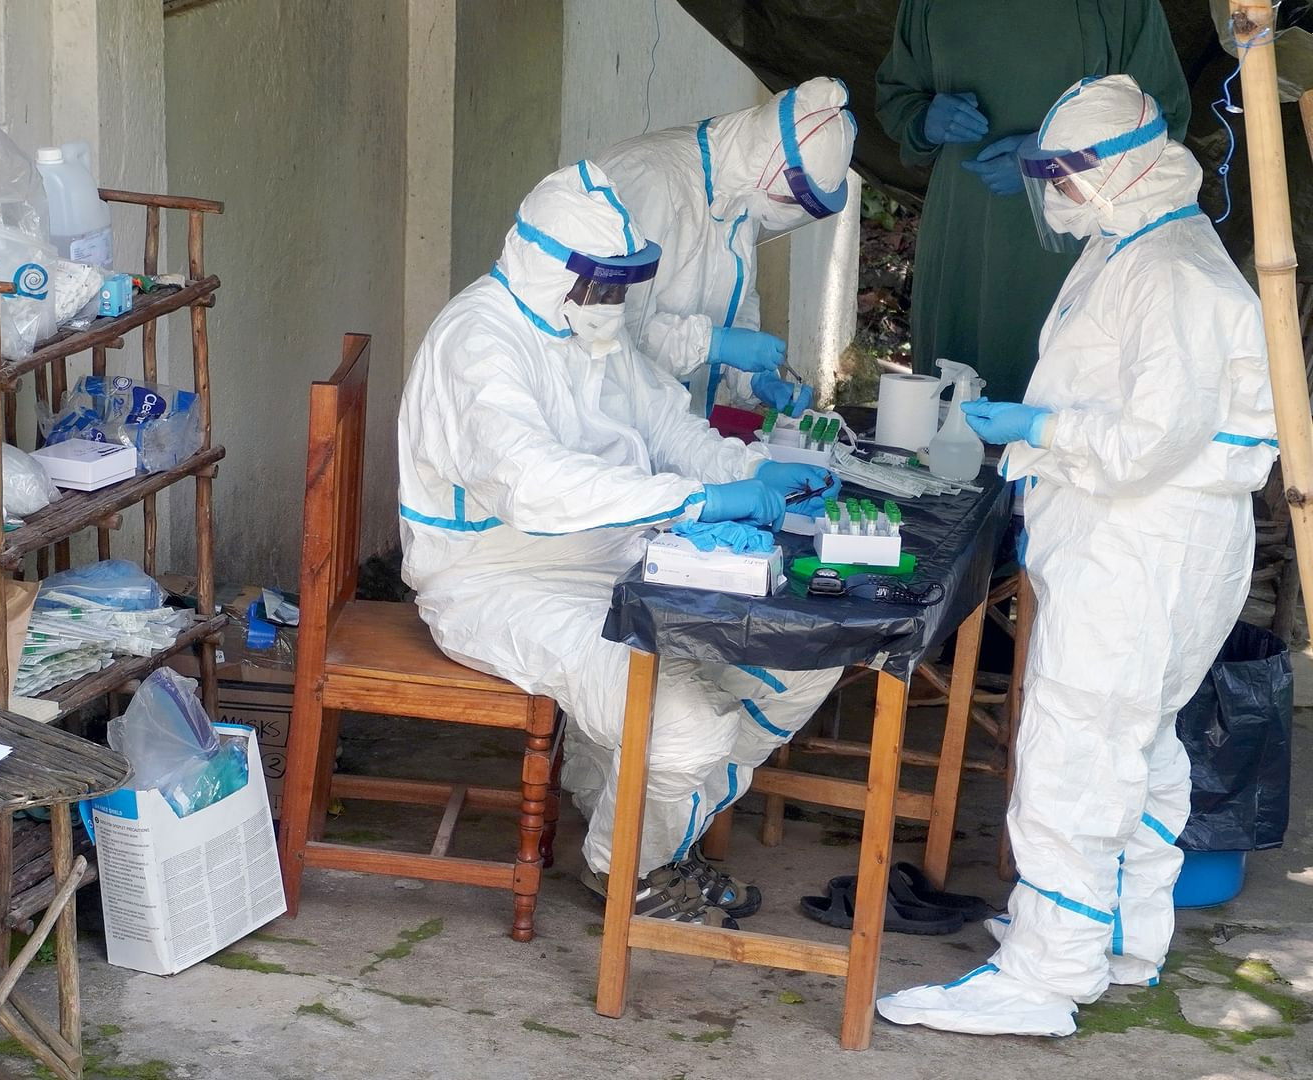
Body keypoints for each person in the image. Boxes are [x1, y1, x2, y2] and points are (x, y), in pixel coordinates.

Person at [876, 75, 1276, 1037]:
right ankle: (1118, 938)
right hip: (1152, 543)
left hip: (1140, 545)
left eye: (1065, 173)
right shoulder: (1137, 243)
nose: (1054, 192)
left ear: (1124, 166)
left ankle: (1045, 975)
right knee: (1138, 743)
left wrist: (1037, 428)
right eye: (1046, 174)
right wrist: (1040, 439)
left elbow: (1147, 443)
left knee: (1077, 750)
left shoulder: (1170, 272)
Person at [397, 161, 843, 924]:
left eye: (620, 286)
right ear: (547, 267)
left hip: (615, 557)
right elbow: (533, 483)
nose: (611, 303)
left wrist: (751, 471)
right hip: (496, 580)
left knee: (800, 664)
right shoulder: (480, 342)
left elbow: (664, 424)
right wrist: (697, 500)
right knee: (684, 730)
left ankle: (661, 833)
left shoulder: (584, 324)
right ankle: (625, 867)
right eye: (599, 286)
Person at [876, 0, 1189, 402]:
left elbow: (1160, 120)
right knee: (951, 388)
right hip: (961, 228)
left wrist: (1048, 164)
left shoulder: (1122, 6)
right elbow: (897, 95)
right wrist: (925, 121)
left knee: (1046, 386)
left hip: (1064, 235)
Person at [596, 77, 858, 419]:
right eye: (791, 202)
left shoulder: (741, 194)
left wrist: (755, 377)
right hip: (610, 421)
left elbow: (736, 297)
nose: (790, 213)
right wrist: (714, 344)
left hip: (673, 424)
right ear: (772, 170)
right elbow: (611, 331)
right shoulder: (650, 183)